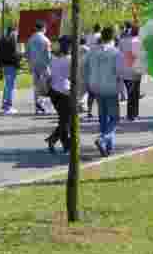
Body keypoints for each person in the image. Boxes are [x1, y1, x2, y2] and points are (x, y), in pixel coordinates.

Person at [84, 26, 125, 157]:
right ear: (113, 37)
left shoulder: (92, 51)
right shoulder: (115, 52)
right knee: (114, 118)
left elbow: (83, 65)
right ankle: (103, 138)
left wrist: (88, 80)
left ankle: (108, 147)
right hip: (111, 87)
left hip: (96, 86)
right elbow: (120, 72)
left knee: (103, 117)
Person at [46, 36, 74, 154]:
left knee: (64, 119)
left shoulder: (53, 58)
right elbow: (71, 76)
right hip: (65, 91)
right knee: (66, 121)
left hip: (53, 90)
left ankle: (56, 140)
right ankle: (64, 143)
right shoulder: (70, 59)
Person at [26, 21, 53, 115]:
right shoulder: (46, 40)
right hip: (44, 66)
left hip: (34, 65)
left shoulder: (30, 39)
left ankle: (37, 106)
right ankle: (42, 105)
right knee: (46, 86)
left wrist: (29, 64)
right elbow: (48, 55)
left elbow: (27, 54)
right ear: (43, 28)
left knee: (36, 86)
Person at [0, 27, 22, 115]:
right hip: (11, 65)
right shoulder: (12, 41)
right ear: (13, 32)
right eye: (16, 32)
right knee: (10, 86)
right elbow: (14, 54)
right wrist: (18, 62)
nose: (17, 34)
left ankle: (4, 104)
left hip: (4, 65)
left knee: (7, 85)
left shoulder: (2, 39)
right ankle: (8, 106)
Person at [121, 27, 143, 121]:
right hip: (135, 70)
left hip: (125, 69)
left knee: (131, 92)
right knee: (134, 92)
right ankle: (133, 114)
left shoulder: (123, 41)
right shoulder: (139, 41)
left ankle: (132, 114)